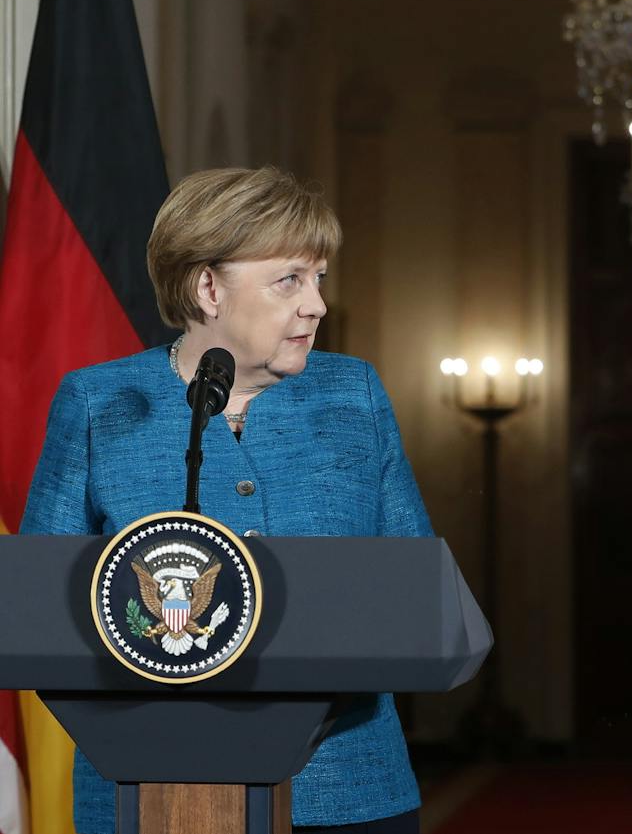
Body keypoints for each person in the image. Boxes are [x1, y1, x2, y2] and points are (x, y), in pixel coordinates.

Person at [21, 166, 432, 834]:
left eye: (319, 278)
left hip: (348, 792)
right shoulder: (98, 403)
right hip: (141, 793)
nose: (317, 304)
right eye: (289, 280)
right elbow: (37, 610)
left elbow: (415, 586)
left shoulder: (353, 394)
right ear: (208, 286)